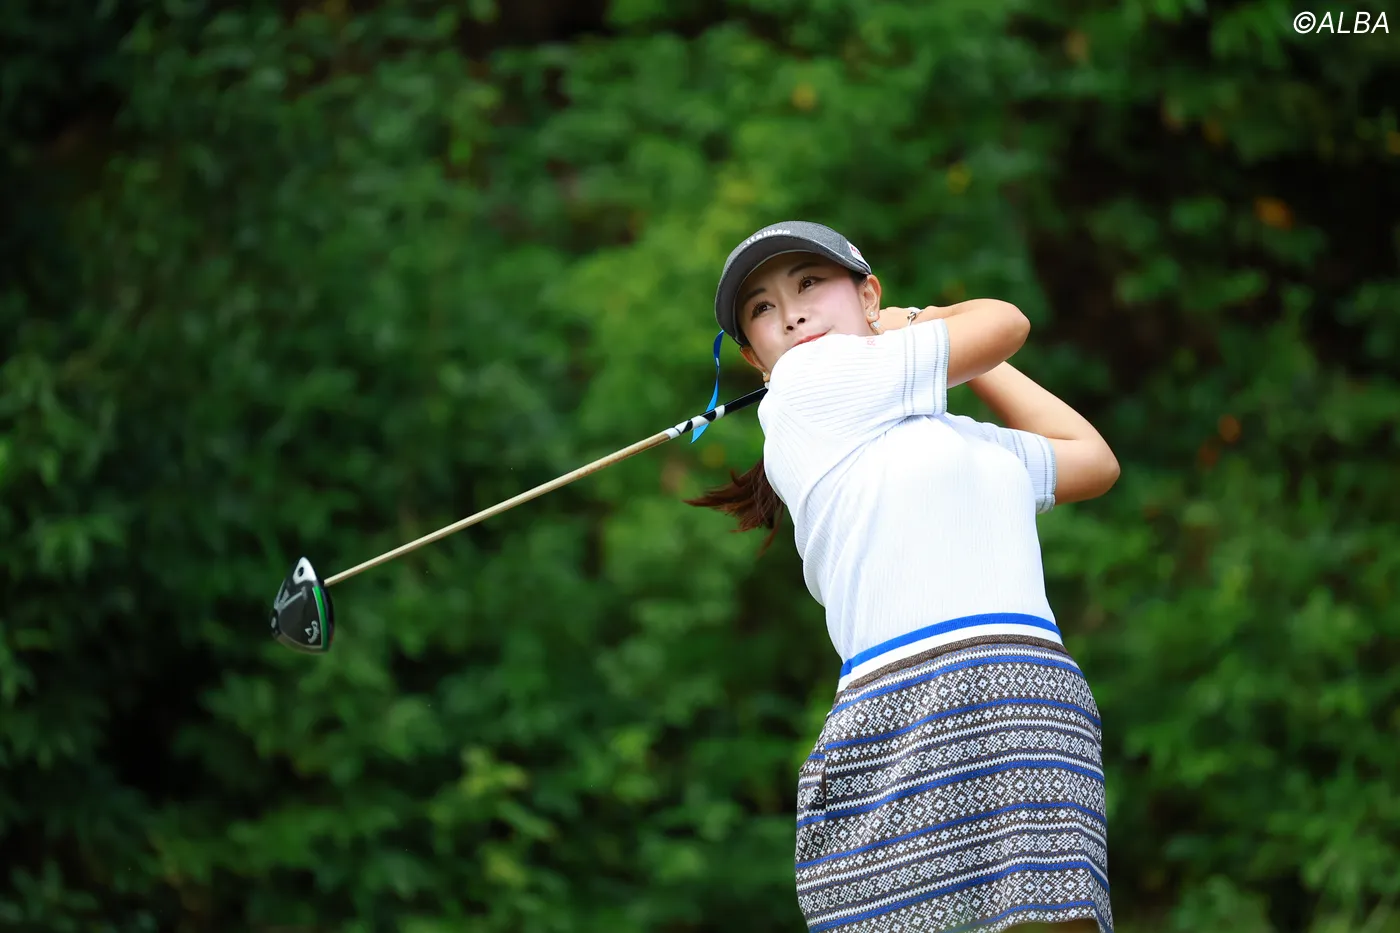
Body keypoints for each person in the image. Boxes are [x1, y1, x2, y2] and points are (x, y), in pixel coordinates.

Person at [688, 221, 1121, 933]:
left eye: (809, 283)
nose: (790, 314)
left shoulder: (955, 439)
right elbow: (1006, 322)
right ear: (757, 359)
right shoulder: (804, 383)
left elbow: (1092, 461)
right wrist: (916, 321)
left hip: (1027, 698)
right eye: (762, 309)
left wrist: (944, 353)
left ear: (868, 295)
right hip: (912, 712)